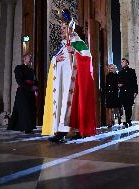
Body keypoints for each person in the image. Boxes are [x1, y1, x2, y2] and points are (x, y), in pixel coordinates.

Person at [42, 10, 96, 142]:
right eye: (60, 28)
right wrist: (55, 59)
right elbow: (55, 59)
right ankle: (62, 131)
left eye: (64, 28)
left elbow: (88, 60)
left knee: (71, 105)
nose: (61, 30)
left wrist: (76, 53)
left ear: (70, 29)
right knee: (62, 104)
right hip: (61, 83)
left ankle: (68, 131)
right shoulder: (61, 45)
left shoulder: (79, 43)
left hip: (73, 84)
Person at [7, 54, 38, 133]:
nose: (31, 59)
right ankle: (26, 128)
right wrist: (30, 88)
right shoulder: (19, 68)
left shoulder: (31, 70)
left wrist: (35, 88)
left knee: (30, 110)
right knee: (24, 110)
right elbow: (19, 80)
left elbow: (35, 81)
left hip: (30, 93)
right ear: (24, 59)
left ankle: (29, 127)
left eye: (31, 58)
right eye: (29, 58)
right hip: (23, 92)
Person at [118, 58, 138, 128]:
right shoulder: (120, 72)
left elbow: (135, 82)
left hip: (130, 92)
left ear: (127, 63)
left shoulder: (132, 71)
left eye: (123, 61)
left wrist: (135, 91)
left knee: (129, 107)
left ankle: (128, 120)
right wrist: (119, 85)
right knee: (123, 107)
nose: (122, 63)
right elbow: (118, 82)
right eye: (121, 62)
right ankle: (124, 120)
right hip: (123, 92)